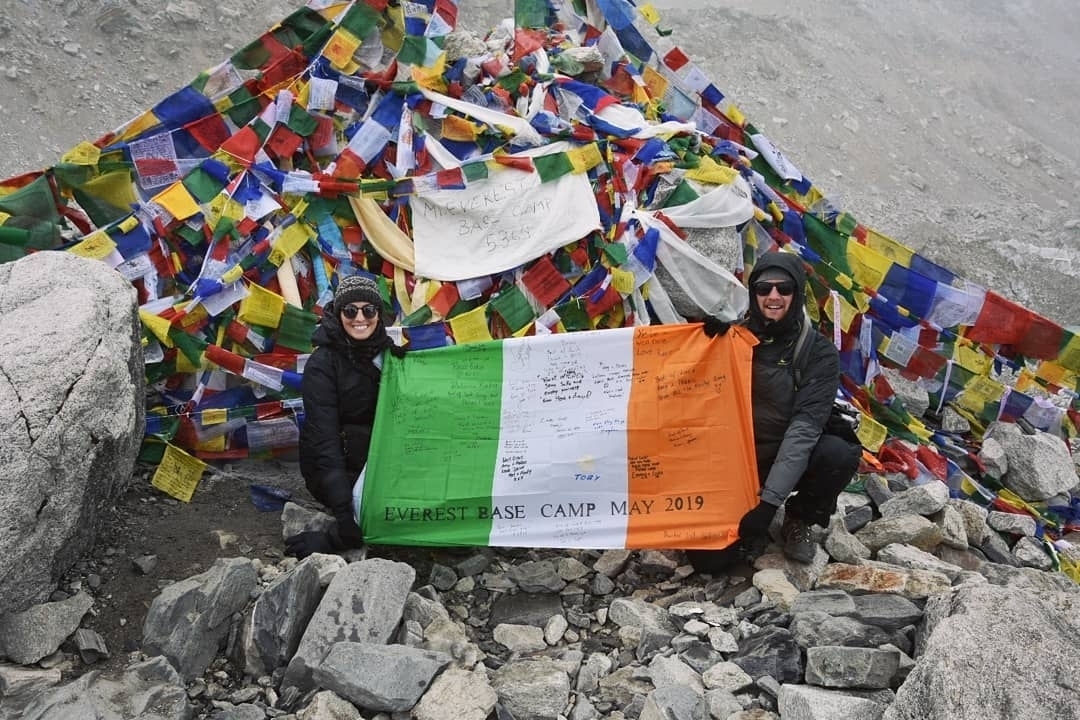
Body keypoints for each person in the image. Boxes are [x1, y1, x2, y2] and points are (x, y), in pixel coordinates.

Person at [697, 251, 861, 566]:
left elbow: (804, 430)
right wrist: (702, 340)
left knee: (838, 453)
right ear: (753, 293)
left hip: (786, 452)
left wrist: (768, 506)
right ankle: (741, 507)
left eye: (784, 288)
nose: (774, 296)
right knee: (712, 563)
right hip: (733, 460)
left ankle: (798, 518)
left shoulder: (818, 352)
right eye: (764, 288)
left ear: (796, 293)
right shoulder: (732, 337)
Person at [286, 274, 399, 559]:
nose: (359, 317)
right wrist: (342, 516)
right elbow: (324, 441)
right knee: (382, 516)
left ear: (378, 315)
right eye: (350, 310)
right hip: (334, 468)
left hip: (380, 461)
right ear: (339, 314)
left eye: (368, 310)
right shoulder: (321, 365)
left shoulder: (391, 357)